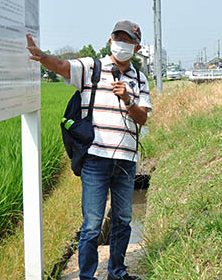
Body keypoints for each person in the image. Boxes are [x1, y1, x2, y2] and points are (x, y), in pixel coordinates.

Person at [26, 21, 150, 280]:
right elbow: (62, 66)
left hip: (126, 160)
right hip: (96, 158)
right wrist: (42, 56)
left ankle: (117, 271)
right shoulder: (91, 68)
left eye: (127, 40)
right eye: (118, 38)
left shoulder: (139, 79)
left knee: (123, 219)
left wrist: (127, 99)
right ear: (110, 41)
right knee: (93, 223)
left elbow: (143, 119)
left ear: (136, 47)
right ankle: (87, 276)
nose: (121, 44)